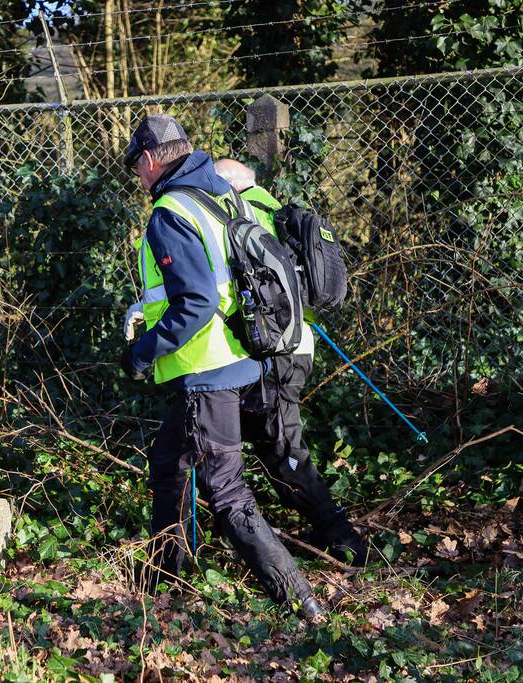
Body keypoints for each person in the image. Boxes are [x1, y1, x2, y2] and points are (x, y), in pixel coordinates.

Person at [119, 114, 323, 619]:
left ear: (149, 160)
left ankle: (299, 599)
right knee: (168, 461)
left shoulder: (171, 211)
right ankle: (163, 577)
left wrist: (144, 352)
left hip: (207, 369)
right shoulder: (217, 196)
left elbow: (196, 301)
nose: (139, 180)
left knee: (226, 490)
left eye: (136, 169)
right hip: (241, 360)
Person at [212, 159, 368, 566]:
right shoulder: (279, 215)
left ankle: (343, 539)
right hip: (296, 349)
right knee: (252, 440)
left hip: (276, 355)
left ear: (230, 186)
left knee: (283, 448)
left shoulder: (241, 220)